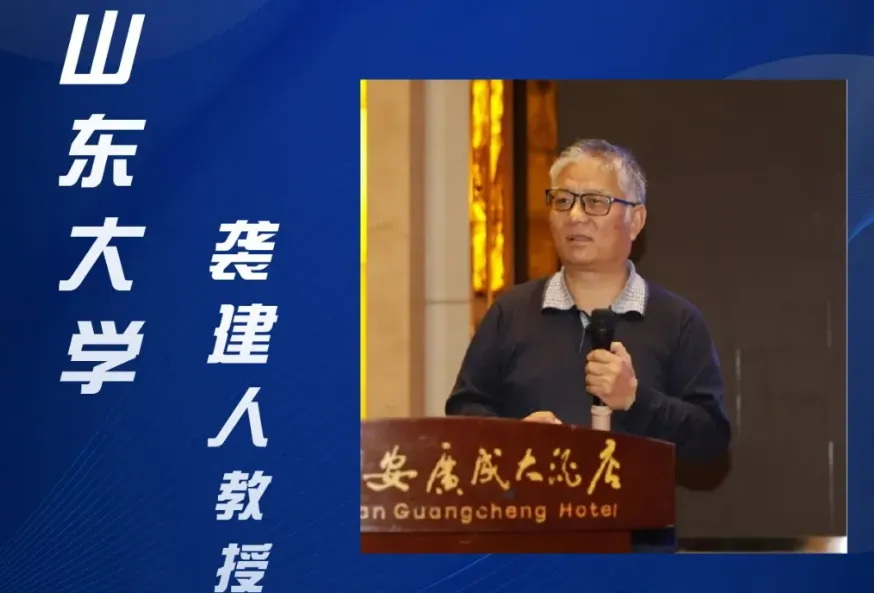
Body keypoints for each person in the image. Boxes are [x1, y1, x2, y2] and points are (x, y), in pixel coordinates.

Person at [445, 139, 730, 463]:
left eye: (595, 202)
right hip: (531, 496)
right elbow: (462, 417)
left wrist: (636, 400)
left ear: (636, 220)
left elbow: (711, 441)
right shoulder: (510, 313)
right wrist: (514, 437)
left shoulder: (677, 321)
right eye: (563, 200)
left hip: (635, 498)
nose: (575, 216)